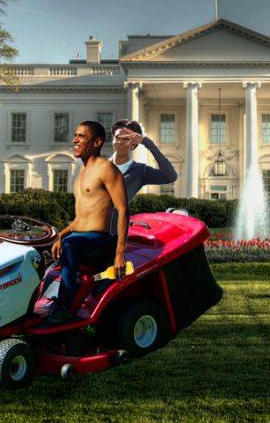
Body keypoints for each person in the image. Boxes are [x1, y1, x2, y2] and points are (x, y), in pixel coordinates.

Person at [47, 120, 128, 323]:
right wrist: (60, 235)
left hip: (100, 239)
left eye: (81, 136)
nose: (75, 139)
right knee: (41, 251)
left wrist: (119, 253)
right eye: (75, 135)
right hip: (78, 237)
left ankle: (65, 306)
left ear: (97, 142)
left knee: (71, 244)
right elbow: (79, 219)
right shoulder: (81, 174)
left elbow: (123, 209)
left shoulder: (107, 169)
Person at [109, 119, 178, 204]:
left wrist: (147, 143)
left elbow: (171, 176)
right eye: (117, 137)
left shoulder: (140, 171)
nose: (119, 142)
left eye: (126, 139)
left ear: (133, 144)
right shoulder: (97, 166)